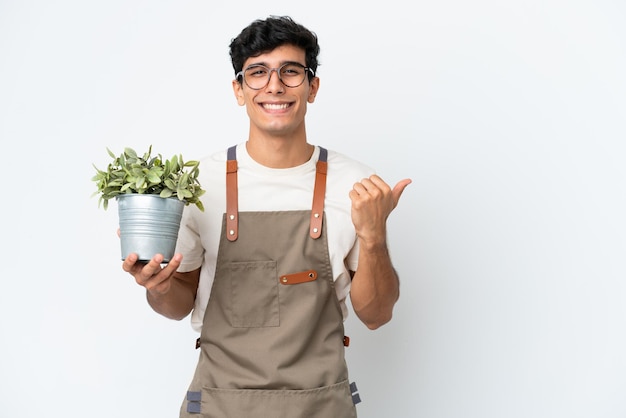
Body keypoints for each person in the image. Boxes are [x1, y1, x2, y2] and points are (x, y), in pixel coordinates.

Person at [122, 15, 411, 418]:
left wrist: (374, 237)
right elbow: (177, 303)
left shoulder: (357, 185)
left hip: (320, 406)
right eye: (257, 73)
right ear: (239, 90)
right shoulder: (197, 184)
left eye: (290, 72)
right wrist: (156, 286)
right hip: (219, 405)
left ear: (313, 87)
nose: (274, 86)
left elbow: (377, 315)